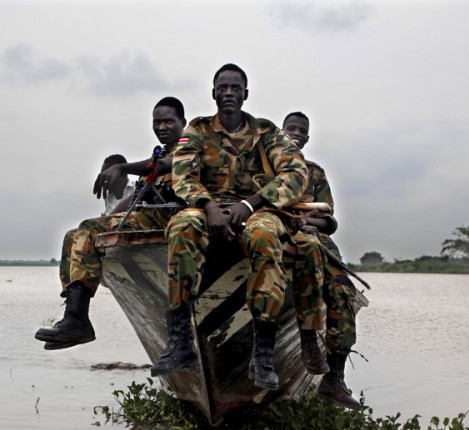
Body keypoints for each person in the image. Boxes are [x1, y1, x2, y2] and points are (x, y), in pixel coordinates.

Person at [150, 64, 316, 391]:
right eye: (222, 88)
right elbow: (184, 174)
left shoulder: (266, 133)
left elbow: (296, 174)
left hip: (256, 209)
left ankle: (263, 353)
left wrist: (251, 203)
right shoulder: (197, 130)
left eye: (235, 88)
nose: (229, 93)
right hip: (207, 207)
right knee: (182, 225)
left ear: (245, 94)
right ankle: (181, 340)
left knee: (266, 236)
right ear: (213, 93)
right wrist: (208, 206)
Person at [35, 97, 187, 350]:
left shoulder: (190, 146)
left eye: (169, 121)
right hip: (148, 217)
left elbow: (163, 167)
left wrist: (121, 166)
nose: (162, 127)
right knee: (75, 235)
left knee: (87, 229)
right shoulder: (159, 153)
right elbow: (138, 196)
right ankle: (75, 315)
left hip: (175, 220)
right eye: (157, 122)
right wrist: (106, 222)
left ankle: (77, 320)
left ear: (183, 122)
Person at [282, 111, 363, 409]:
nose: (296, 134)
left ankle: (333, 379)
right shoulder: (267, 167)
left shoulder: (314, 173)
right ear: (280, 132)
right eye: (290, 128)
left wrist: (309, 223)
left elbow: (330, 222)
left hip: (315, 240)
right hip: (277, 236)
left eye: (301, 130)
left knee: (343, 293)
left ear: (307, 137)